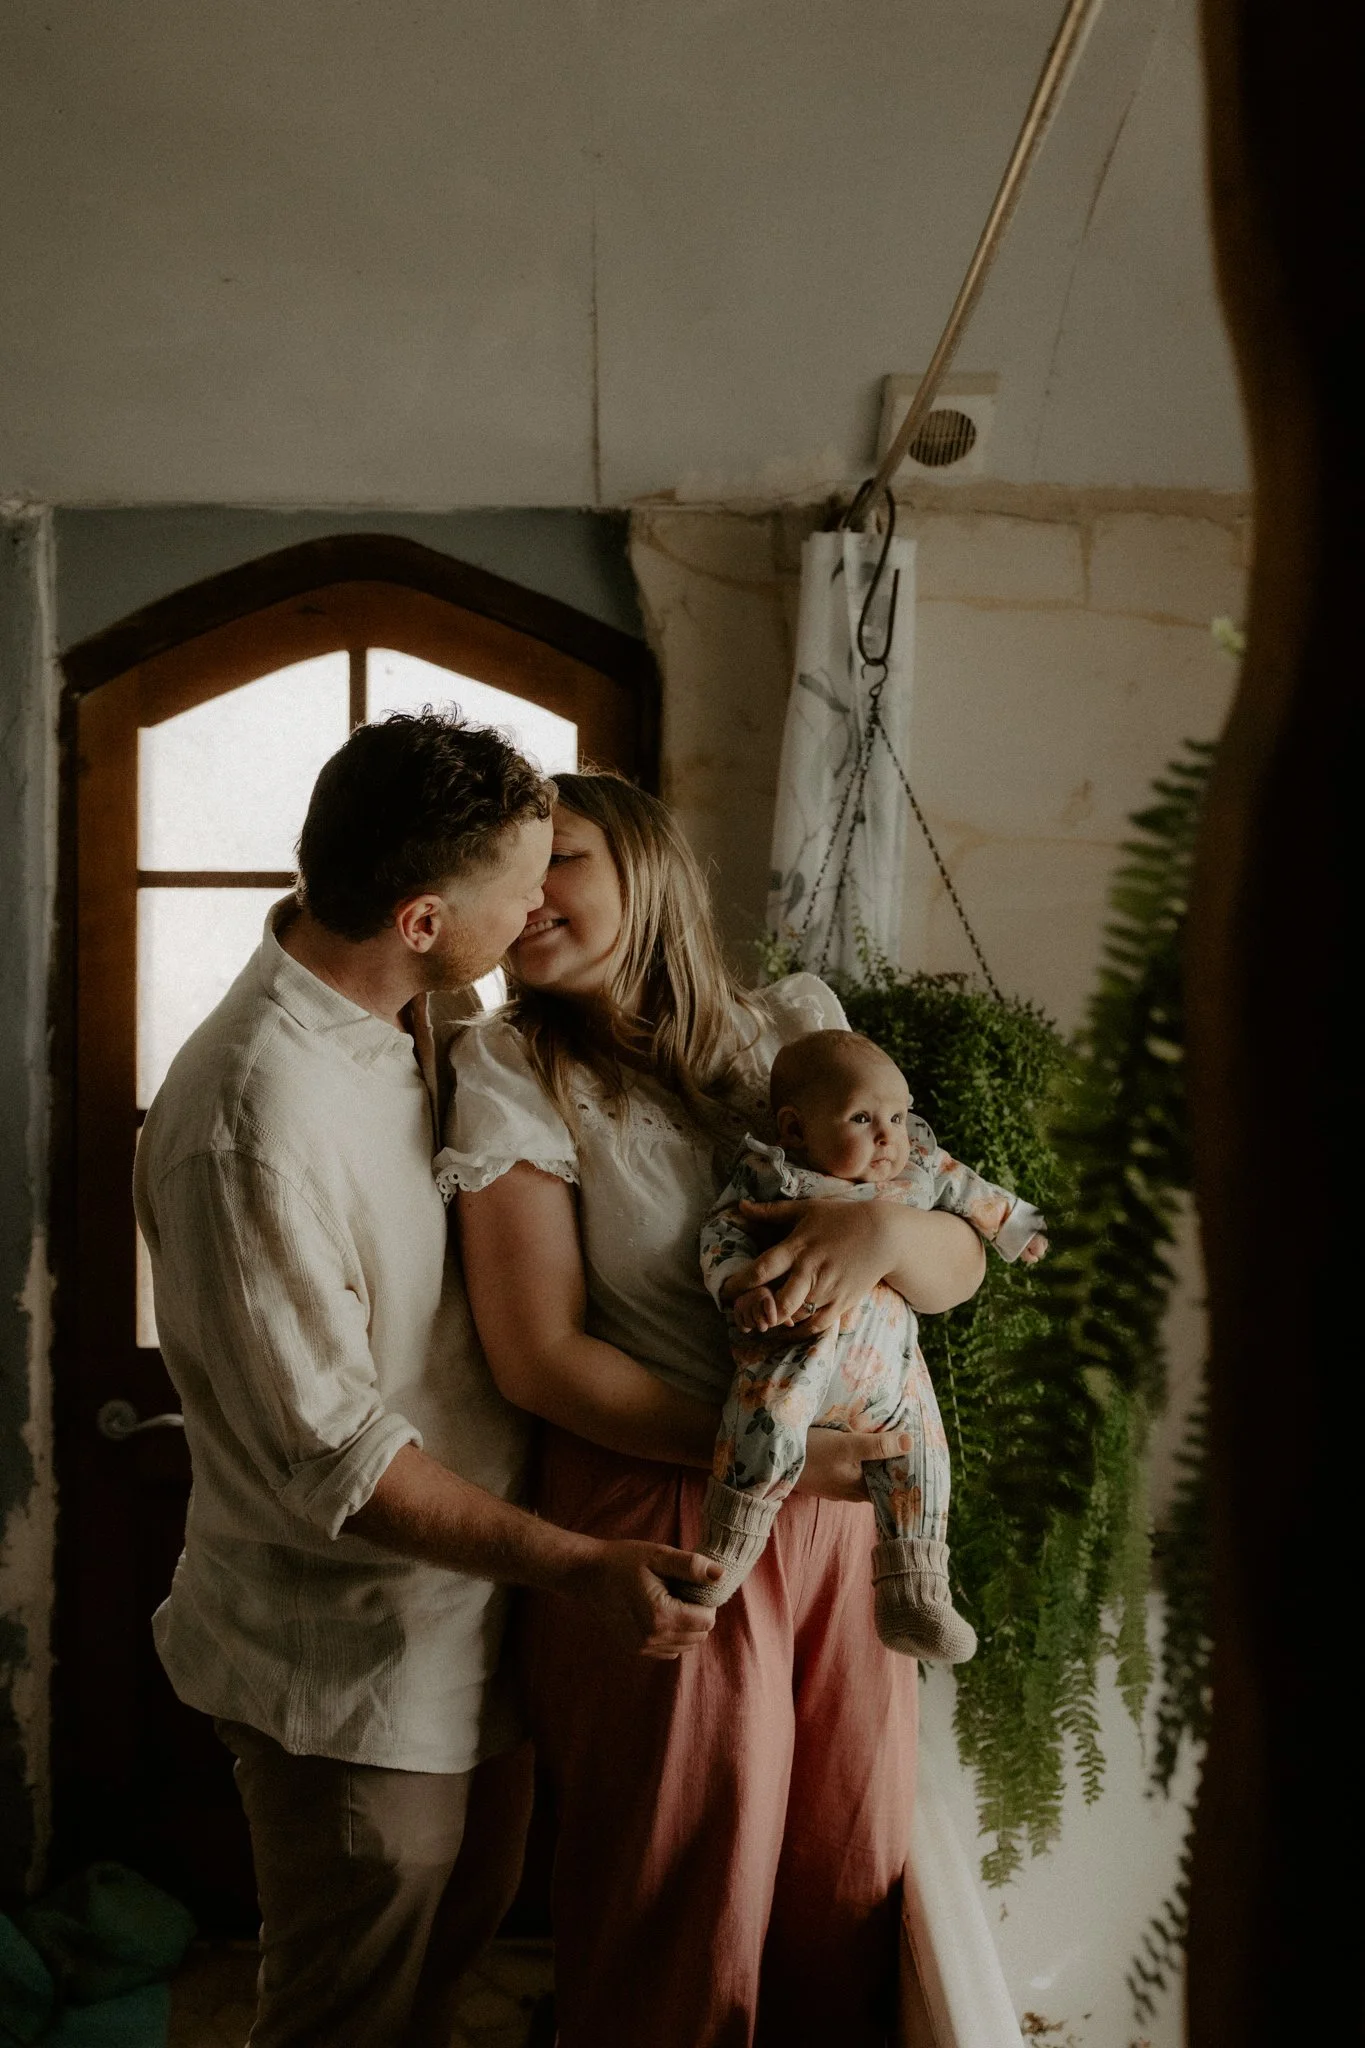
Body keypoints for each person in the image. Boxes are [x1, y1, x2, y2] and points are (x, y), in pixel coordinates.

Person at [134, 718, 719, 2048]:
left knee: (448, 1964)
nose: (537, 907)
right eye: (521, 882)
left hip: (479, 1625)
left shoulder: (423, 1011)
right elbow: (341, 1463)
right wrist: (578, 1564)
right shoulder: (250, 1126)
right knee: (351, 2014)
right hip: (351, 1667)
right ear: (416, 914)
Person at [446, 771, 988, 2048]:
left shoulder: (794, 1028)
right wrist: (778, 1458)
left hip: (851, 1515)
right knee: (682, 1896)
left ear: (644, 863)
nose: (530, 895)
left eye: (561, 857)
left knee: (843, 1876)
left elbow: (957, 1267)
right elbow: (539, 1356)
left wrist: (883, 1227)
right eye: (511, 871)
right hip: (663, 1505)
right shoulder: (510, 1067)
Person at [685, 1027, 1047, 1662]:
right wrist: (738, 1287)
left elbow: (972, 1190)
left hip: (896, 1375)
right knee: (760, 1430)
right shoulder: (774, 1179)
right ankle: (721, 1561)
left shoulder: (915, 1170)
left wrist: (1020, 1228)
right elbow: (723, 1232)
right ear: (796, 1129)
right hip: (799, 1359)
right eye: (863, 1117)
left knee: (924, 1460)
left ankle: (917, 1593)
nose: (889, 1135)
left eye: (900, 1116)